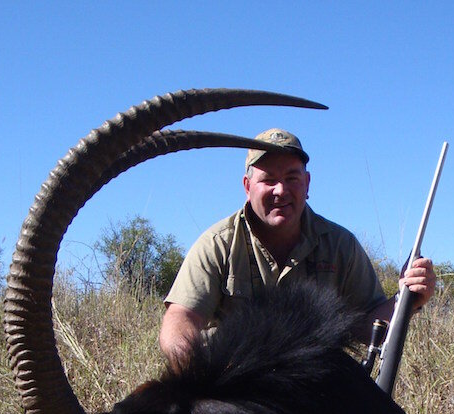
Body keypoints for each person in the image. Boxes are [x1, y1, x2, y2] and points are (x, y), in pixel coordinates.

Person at [160, 128, 436, 368]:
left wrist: (407, 299)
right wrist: (197, 368)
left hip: (310, 389)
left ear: (307, 184)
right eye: (268, 180)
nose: (281, 190)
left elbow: (368, 328)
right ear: (247, 187)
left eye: (292, 178)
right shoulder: (217, 243)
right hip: (234, 389)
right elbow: (180, 319)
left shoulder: (341, 245)